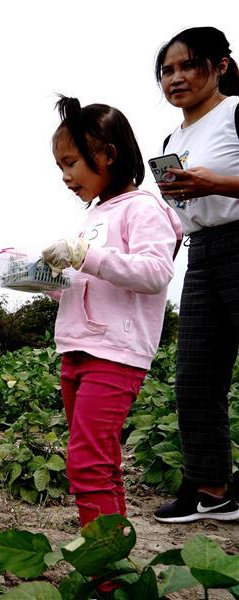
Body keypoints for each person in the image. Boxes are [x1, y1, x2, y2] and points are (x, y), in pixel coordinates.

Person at [41, 96, 182, 529]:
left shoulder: (144, 208)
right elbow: (93, 280)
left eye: (71, 163)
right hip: (78, 349)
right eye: (60, 167)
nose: (65, 176)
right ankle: (115, 562)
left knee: (85, 465)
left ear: (107, 154)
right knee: (102, 463)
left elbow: (156, 272)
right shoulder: (96, 214)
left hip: (115, 354)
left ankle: (107, 579)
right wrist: (48, 282)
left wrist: (85, 255)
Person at [150, 26, 239, 524]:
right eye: (167, 71)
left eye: (188, 66)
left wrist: (215, 182)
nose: (176, 78)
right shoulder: (173, 137)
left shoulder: (235, 113)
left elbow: (220, 188)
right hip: (202, 253)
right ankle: (212, 490)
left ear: (221, 65)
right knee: (195, 379)